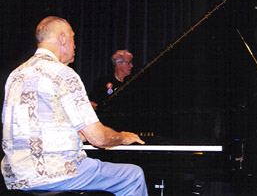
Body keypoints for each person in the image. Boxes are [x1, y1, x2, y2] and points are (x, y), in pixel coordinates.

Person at [1, 16, 148, 196]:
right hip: (57, 174)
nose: (75, 45)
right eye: (73, 38)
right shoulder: (63, 73)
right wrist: (123, 137)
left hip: (16, 176)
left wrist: (77, 135)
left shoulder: (15, 75)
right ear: (62, 38)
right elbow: (99, 139)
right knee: (133, 175)